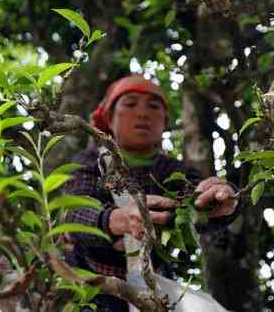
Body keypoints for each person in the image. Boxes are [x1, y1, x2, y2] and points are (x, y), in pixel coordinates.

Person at [62, 75, 240, 311]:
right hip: (87, 289)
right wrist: (114, 220)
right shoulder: (89, 162)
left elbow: (192, 205)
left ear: (165, 121)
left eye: (153, 106)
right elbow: (76, 210)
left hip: (151, 294)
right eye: (130, 104)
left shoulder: (173, 171)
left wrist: (216, 203)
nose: (143, 113)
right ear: (109, 117)